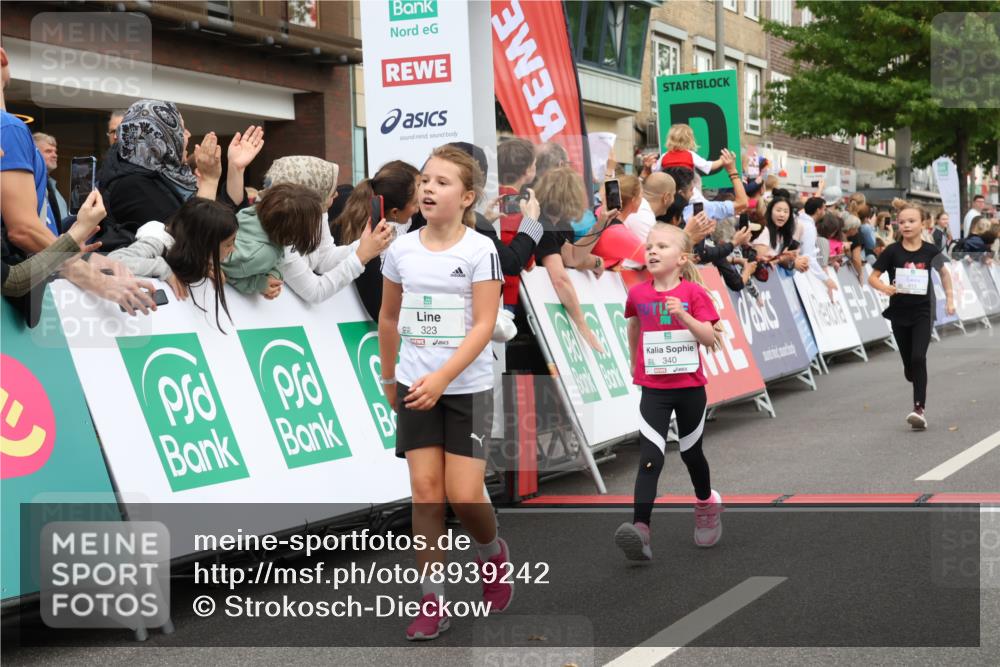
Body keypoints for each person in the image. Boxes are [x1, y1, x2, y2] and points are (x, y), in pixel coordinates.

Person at [378, 145, 510, 641]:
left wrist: (443, 379)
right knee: (427, 494)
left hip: (467, 389)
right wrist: (391, 379)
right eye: (425, 181)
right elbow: (389, 318)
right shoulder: (400, 249)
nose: (429, 188)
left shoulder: (480, 250)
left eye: (442, 182)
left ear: (467, 195)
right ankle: (433, 599)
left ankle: (492, 554)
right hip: (415, 386)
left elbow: (483, 325)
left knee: (464, 494)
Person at [1, 43, 156, 316]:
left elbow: (35, 228)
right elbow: (23, 231)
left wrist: (83, 256)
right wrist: (93, 278)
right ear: (2, 57)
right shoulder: (8, 127)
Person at [614, 222, 724, 561]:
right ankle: (641, 529)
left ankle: (706, 504)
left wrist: (684, 316)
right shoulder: (638, 294)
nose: (652, 251)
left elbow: (710, 338)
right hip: (655, 389)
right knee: (650, 457)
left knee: (692, 455)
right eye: (649, 246)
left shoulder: (693, 293)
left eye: (662, 246)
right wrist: (635, 364)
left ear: (682, 258)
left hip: (690, 389)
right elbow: (634, 325)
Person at [98, 99, 261, 246]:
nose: (188, 136)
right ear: (159, 138)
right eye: (181, 130)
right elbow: (191, 240)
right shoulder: (131, 186)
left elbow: (224, 218)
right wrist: (209, 180)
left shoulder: (170, 174)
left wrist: (236, 169)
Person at [251, 156, 390, 304]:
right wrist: (360, 257)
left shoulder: (314, 212)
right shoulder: (275, 237)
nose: (336, 194)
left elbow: (324, 257)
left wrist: (364, 244)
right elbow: (315, 291)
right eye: (330, 190)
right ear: (306, 195)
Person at [868, 203, 955, 430]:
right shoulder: (892, 251)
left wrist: (951, 299)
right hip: (899, 312)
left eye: (911, 221)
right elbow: (873, 277)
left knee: (919, 357)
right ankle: (911, 370)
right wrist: (886, 288)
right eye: (902, 221)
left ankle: (919, 409)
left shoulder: (930, 251)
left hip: (923, 311)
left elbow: (944, 274)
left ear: (923, 224)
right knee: (909, 363)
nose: (906, 225)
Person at [108, 197, 238, 331]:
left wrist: (202, 267)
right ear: (204, 243)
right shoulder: (157, 243)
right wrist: (164, 269)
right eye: (228, 244)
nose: (233, 249)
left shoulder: (189, 251)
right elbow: (114, 260)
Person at [533, 166, 613, 353]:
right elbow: (560, 279)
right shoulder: (542, 225)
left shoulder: (560, 224)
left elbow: (572, 257)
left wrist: (601, 224)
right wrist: (583, 326)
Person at [336, 160, 421, 321]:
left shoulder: (371, 222)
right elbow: (382, 307)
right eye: (416, 204)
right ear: (395, 212)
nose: (419, 208)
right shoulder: (387, 243)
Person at [221, 183, 336, 299]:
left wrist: (274, 274)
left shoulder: (253, 214)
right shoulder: (264, 254)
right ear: (298, 229)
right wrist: (259, 284)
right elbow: (221, 268)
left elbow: (275, 259)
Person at [659, 124, 724, 204]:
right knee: (702, 205)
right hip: (689, 193)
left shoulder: (664, 156)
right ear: (690, 140)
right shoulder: (690, 154)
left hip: (670, 194)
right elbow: (709, 166)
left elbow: (654, 170)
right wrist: (722, 160)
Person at [796, 197, 839, 296]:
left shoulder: (800, 218)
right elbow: (808, 257)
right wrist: (826, 279)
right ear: (818, 210)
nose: (825, 212)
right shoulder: (809, 228)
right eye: (824, 209)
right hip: (798, 271)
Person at [32, 132, 68, 225]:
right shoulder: (30, 185)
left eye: (55, 151)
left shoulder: (52, 186)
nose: (55, 155)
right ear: (34, 154)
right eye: (48, 151)